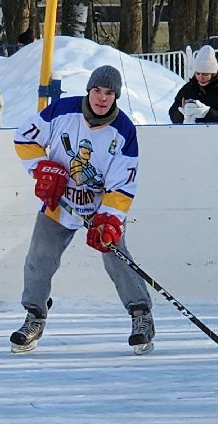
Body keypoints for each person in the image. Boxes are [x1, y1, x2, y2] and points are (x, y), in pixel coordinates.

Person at [10, 64, 155, 354]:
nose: (102, 98)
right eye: (97, 91)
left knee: (118, 259)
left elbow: (123, 184)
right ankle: (35, 316)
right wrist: (43, 168)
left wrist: (110, 219)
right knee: (39, 258)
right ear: (88, 91)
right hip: (59, 203)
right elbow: (24, 138)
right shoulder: (62, 111)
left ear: (116, 96)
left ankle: (142, 316)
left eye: (109, 93)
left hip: (99, 208)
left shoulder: (124, 130)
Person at [169, 45, 218, 124]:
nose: (200, 77)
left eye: (205, 74)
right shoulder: (188, 89)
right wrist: (182, 114)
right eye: (198, 73)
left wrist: (208, 113)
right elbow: (172, 113)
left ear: (213, 74)